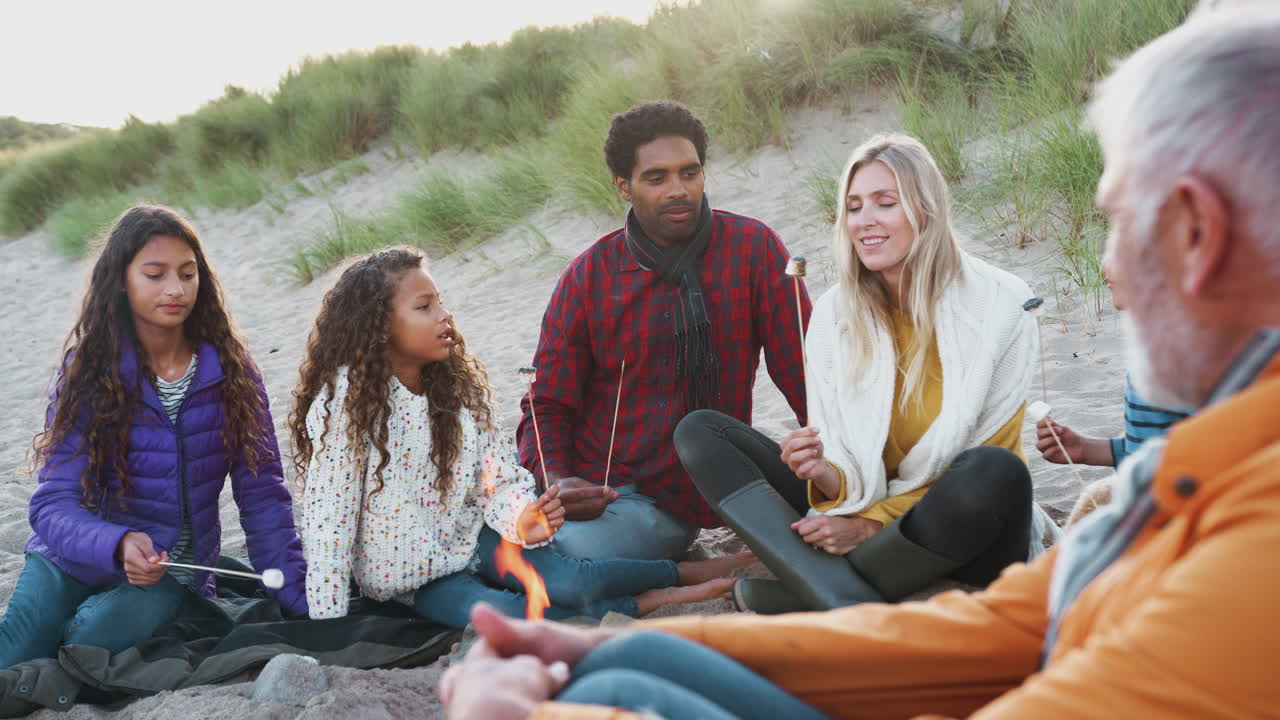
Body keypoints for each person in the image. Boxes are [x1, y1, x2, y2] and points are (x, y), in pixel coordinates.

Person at [441, 8, 1280, 718]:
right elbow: (1009, 630)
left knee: (989, 475)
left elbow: (1002, 574)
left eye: (1114, 219)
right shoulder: (1198, 468)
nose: (1107, 269)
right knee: (629, 666)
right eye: (857, 205)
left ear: (1194, 233)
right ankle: (770, 593)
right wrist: (594, 653)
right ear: (623, 185)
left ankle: (785, 584)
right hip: (733, 500)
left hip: (926, 514)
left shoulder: (1251, 548)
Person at [674, 133, 1059, 614]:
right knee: (702, 432)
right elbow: (848, 469)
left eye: (885, 203)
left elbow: (988, 454)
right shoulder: (834, 314)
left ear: (926, 209)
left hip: (958, 529)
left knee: (994, 472)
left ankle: (814, 593)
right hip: (860, 500)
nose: (865, 221)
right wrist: (821, 472)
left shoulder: (1001, 303)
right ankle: (841, 589)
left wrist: (868, 527)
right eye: (854, 207)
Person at [293, 247, 744, 629]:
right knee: (512, 614)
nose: (444, 316)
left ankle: (680, 573)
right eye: (424, 307)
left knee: (571, 580)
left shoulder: (455, 388)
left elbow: (499, 479)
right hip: (416, 580)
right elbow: (328, 521)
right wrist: (331, 621)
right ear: (379, 325)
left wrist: (524, 518)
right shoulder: (346, 405)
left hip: (474, 539)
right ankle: (652, 601)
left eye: (441, 302)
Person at [0, 205, 307, 669]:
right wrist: (118, 543)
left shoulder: (233, 372)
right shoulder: (88, 369)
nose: (175, 289)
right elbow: (51, 504)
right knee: (16, 654)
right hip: (70, 558)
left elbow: (262, 493)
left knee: (88, 640)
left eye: (188, 273)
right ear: (122, 280)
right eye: (155, 274)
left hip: (164, 576)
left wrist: (297, 597)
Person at [516, 100, 811, 562]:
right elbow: (547, 405)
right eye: (657, 178)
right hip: (605, 487)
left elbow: (807, 373)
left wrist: (845, 475)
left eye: (689, 173)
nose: (679, 190)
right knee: (526, 549)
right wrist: (558, 480)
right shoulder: (588, 277)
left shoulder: (755, 248)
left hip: (692, 485)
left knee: (569, 558)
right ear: (623, 186)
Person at [1036, 253, 1189, 526]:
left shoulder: (1168, 363)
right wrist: (1085, 449)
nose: (1106, 263)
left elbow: (1159, 481)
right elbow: (1154, 450)